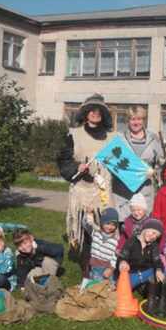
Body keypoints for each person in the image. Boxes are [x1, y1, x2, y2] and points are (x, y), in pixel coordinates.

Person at [58, 94, 115, 254]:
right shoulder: (73, 134)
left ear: (104, 115)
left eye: (99, 111)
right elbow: (63, 160)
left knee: (105, 230)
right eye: (92, 110)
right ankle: (86, 265)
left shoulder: (113, 138)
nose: (95, 113)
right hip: (82, 192)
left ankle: (103, 261)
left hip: (103, 193)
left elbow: (124, 162)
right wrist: (77, 167)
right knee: (84, 232)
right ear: (85, 113)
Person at [114, 106, 165, 217]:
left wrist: (154, 172)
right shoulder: (119, 138)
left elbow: (160, 164)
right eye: (132, 119)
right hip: (123, 191)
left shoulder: (154, 138)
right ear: (127, 121)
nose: (136, 122)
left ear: (143, 120)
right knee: (125, 222)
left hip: (145, 189)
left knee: (144, 223)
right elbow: (113, 162)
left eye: (139, 119)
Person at [116, 219, 165, 289]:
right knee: (121, 287)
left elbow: (157, 260)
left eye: (156, 236)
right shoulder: (132, 241)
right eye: (153, 233)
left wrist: (158, 270)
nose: (154, 237)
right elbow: (123, 256)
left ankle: (148, 289)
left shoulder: (154, 245)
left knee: (161, 272)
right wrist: (123, 262)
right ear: (145, 228)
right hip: (132, 272)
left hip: (146, 272)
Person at [82, 206, 120, 280]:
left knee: (106, 285)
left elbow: (115, 256)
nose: (110, 227)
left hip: (107, 269)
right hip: (94, 266)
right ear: (102, 222)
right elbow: (86, 224)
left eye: (113, 225)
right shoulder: (96, 232)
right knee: (94, 283)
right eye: (107, 223)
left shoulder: (116, 240)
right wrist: (88, 213)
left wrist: (111, 268)